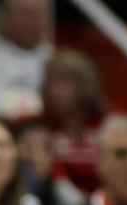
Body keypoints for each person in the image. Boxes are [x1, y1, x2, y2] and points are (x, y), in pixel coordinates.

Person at [41, 49, 107, 194]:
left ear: (85, 84)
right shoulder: (41, 127)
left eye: (64, 82)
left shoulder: (109, 126)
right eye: (51, 82)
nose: (55, 92)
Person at [14, 116, 84, 205]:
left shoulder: (62, 191)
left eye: (47, 147)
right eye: (28, 147)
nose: (38, 156)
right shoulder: (1, 190)